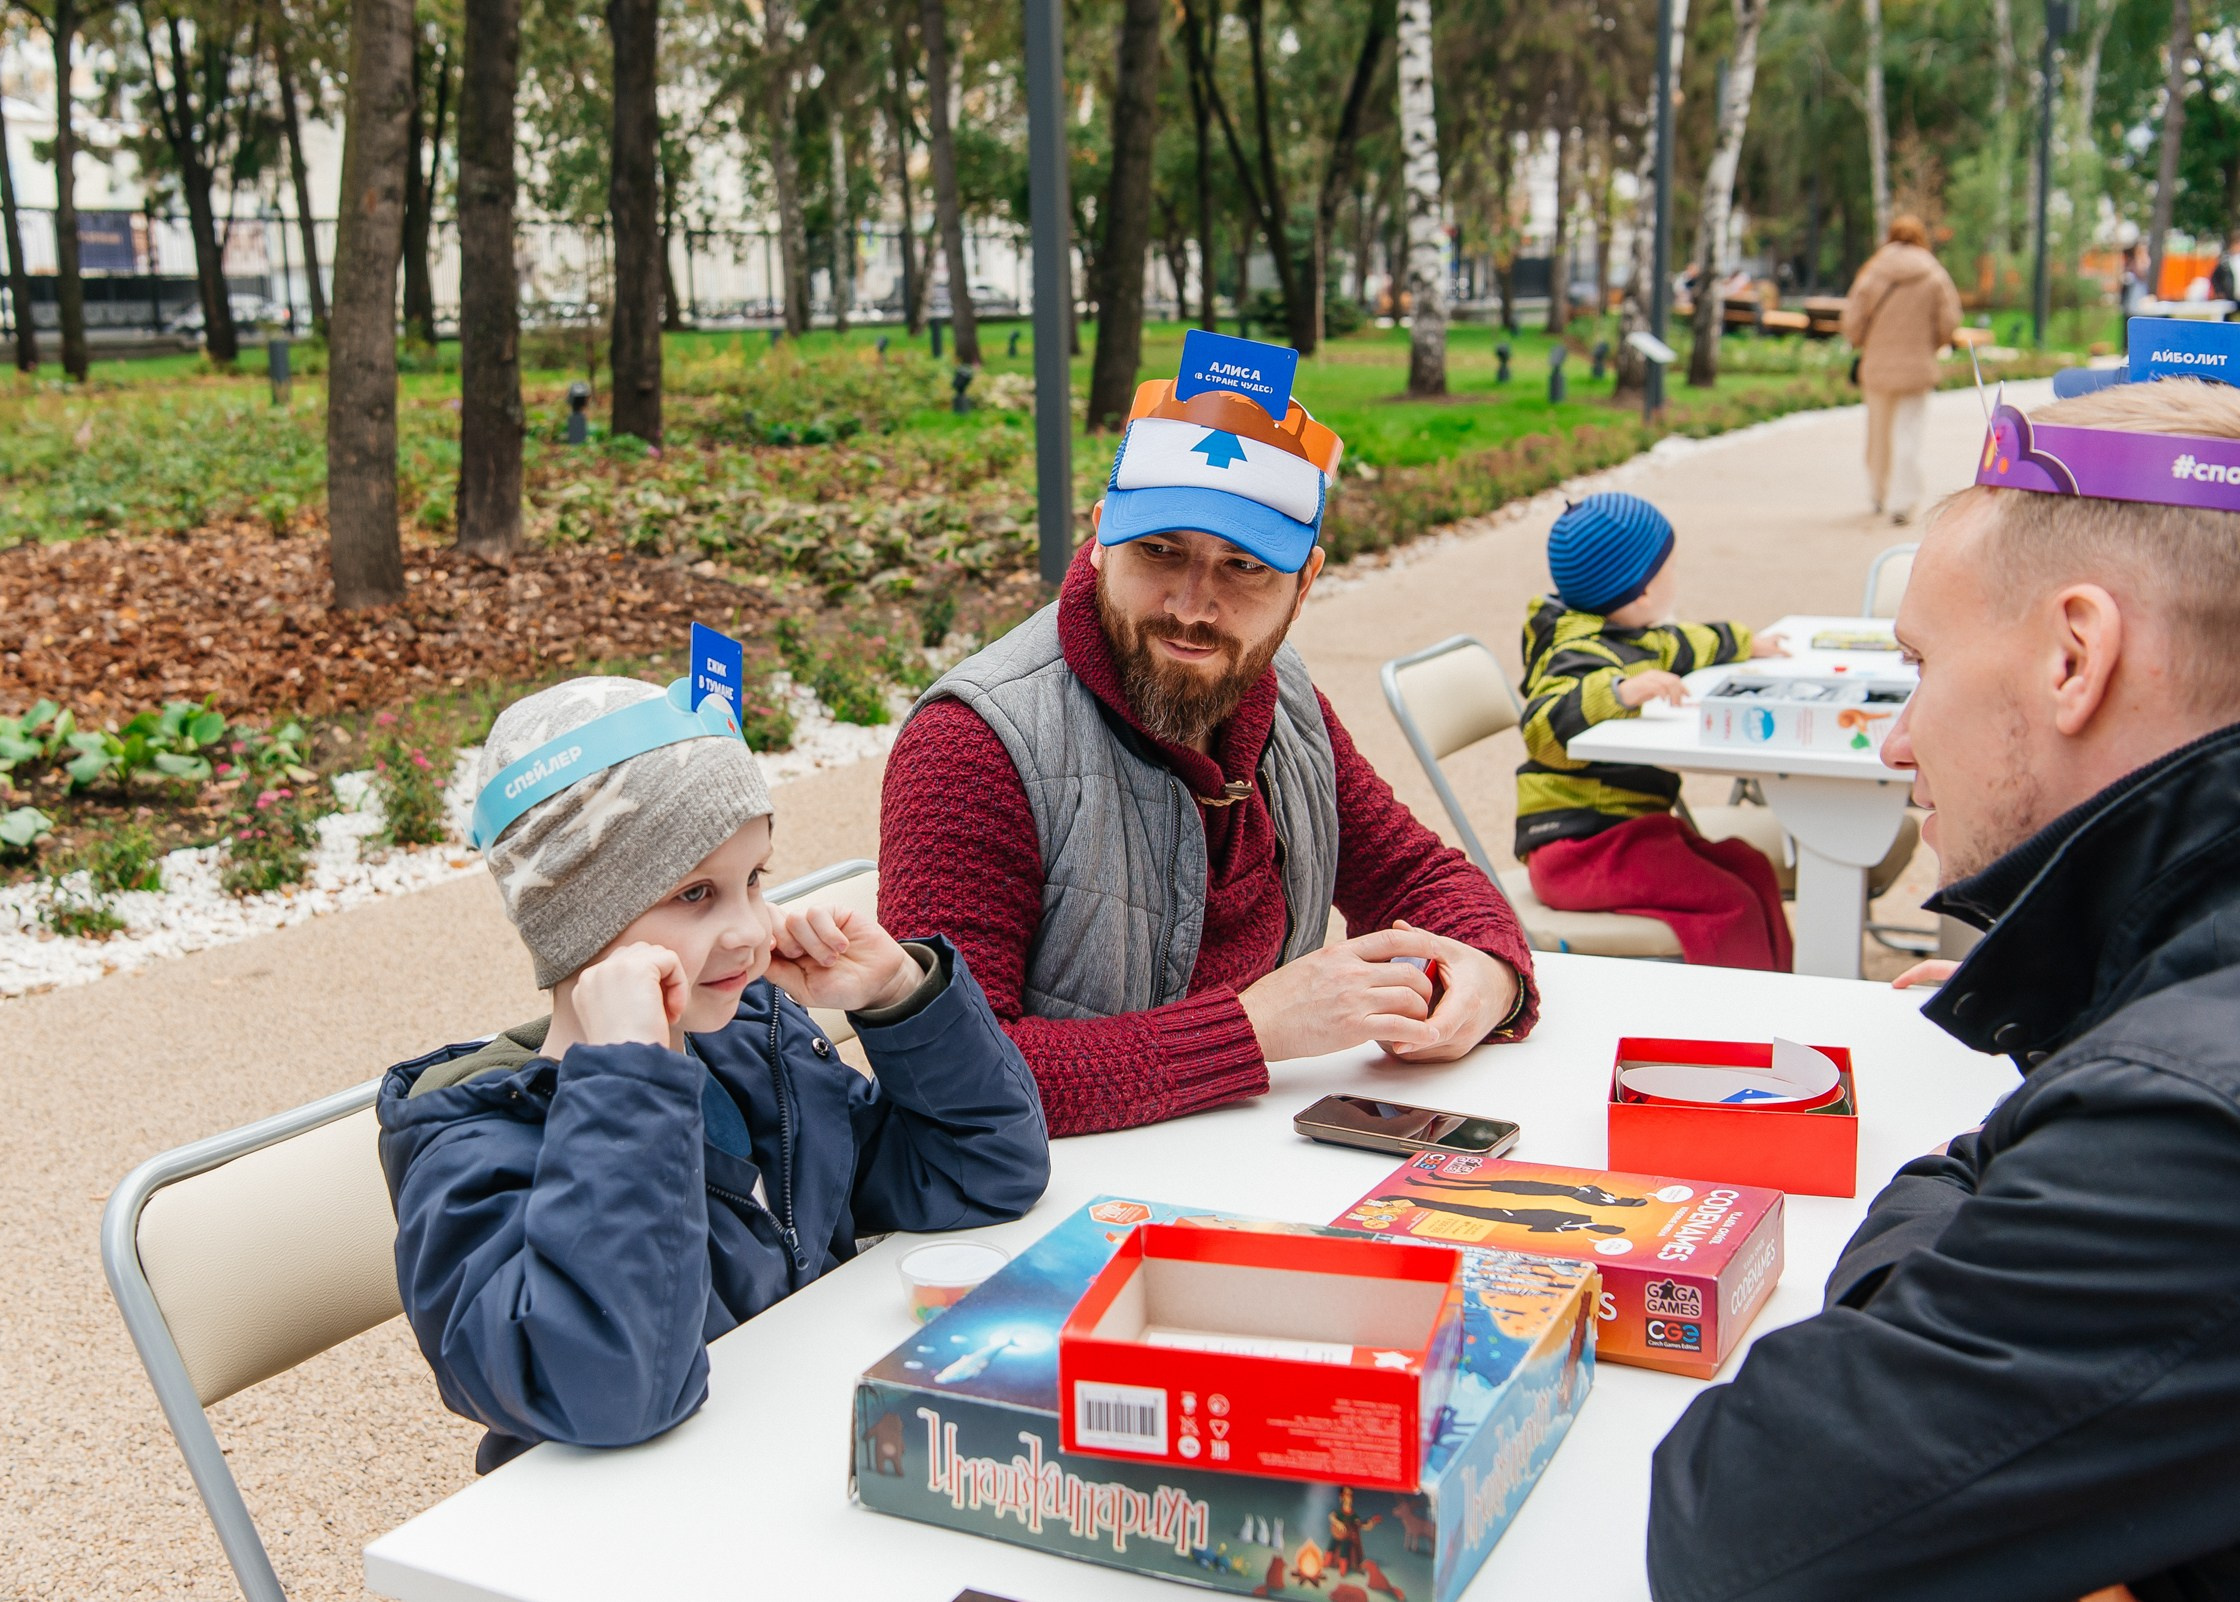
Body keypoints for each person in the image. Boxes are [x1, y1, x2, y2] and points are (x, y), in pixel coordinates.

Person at [1648, 376, 2240, 1600]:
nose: (1899, 739)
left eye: (1918, 666)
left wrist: (1925, 1250)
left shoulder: (2182, 1120)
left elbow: (1740, 1521)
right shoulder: (2171, 998)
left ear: (2076, 656)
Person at [376, 675, 1049, 1472]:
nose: (751, 931)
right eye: (696, 894)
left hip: (785, 1467)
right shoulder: (472, 1154)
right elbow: (613, 1391)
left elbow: (982, 1173)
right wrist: (628, 1082)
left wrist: (901, 995)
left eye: (754, 880)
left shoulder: (754, 1052)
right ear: (576, 919)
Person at [878, 334, 1536, 1137]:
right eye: (1160, 551)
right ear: (1100, 539)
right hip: (1064, 1209)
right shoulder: (973, 745)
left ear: (1305, 585)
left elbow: (1414, 873)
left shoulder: (1279, 692)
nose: (1193, 605)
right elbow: (948, 1075)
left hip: (1252, 1156)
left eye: (1245, 566)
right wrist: (1255, 1030)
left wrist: (1489, 974)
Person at [1515, 492, 1794, 970]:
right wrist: (1619, 691)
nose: (1676, 580)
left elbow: (1685, 643)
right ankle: (1744, 1022)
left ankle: (1784, 991)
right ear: (1642, 592)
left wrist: (1747, 642)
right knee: (1730, 901)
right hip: (1578, 848)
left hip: (1630, 832)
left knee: (1752, 866)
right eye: (1672, 570)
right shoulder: (1577, 652)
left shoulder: (1632, 633)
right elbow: (1544, 726)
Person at [1842, 214, 1964, 526]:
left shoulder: (1873, 272)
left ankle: (1878, 493)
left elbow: (1852, 321)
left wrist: (1861, 340)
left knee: (1878, 433)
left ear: (1890, 237)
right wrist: (1934, 343)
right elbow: (1949, 320)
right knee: (1908, 434)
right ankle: (1903, 501)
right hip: (1917, 367)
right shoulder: (1934, 274)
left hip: (1878, 367)